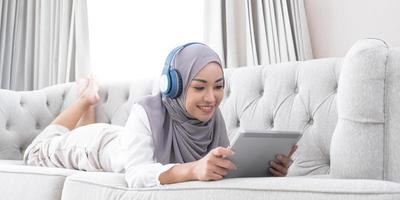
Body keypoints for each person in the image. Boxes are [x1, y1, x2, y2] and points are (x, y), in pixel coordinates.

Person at [23, 43, 294, 188]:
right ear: (173, 85)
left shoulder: (212, 117)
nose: (211, 98)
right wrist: (193, 168)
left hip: (125, 141)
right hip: (95, 146)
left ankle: (90, 107)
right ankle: (86, 100)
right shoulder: (146, 110)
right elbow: (137, 175)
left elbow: (217, 170)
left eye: (219, 87)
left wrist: (266, 170)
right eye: (199, 87)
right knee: (37, 149)